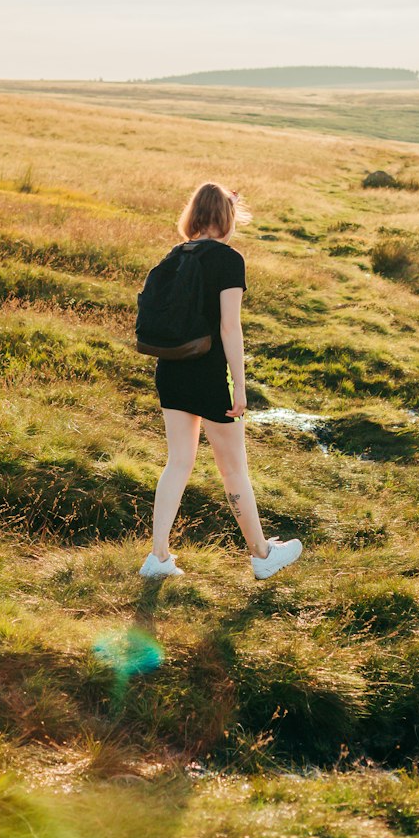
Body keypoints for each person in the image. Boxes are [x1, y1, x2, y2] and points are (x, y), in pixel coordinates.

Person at [139, 181, 304, 581]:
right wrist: (240, 386)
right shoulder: (229, 260)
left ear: (193, 215)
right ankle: (262, 554)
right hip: (209, 375)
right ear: (228, 218)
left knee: (177, 463)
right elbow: (230, 328)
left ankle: (158, 558)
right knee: (233, 470)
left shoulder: (173, 256)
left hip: (171, 369)